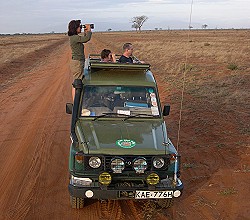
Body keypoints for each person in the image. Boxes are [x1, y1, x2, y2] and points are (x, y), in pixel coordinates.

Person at [68, 20, 92, 99]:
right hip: (77, 62)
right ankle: (76, 101)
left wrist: (86, 31)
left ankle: (77, 99)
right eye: (79, 26)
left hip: (78, 61)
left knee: (78, 81)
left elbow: (84, 39)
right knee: (77, 82)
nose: (81, 28)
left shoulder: (75, 37)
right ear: (75, 28)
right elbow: (86, 39)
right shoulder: (74, 38)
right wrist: (89, 31)